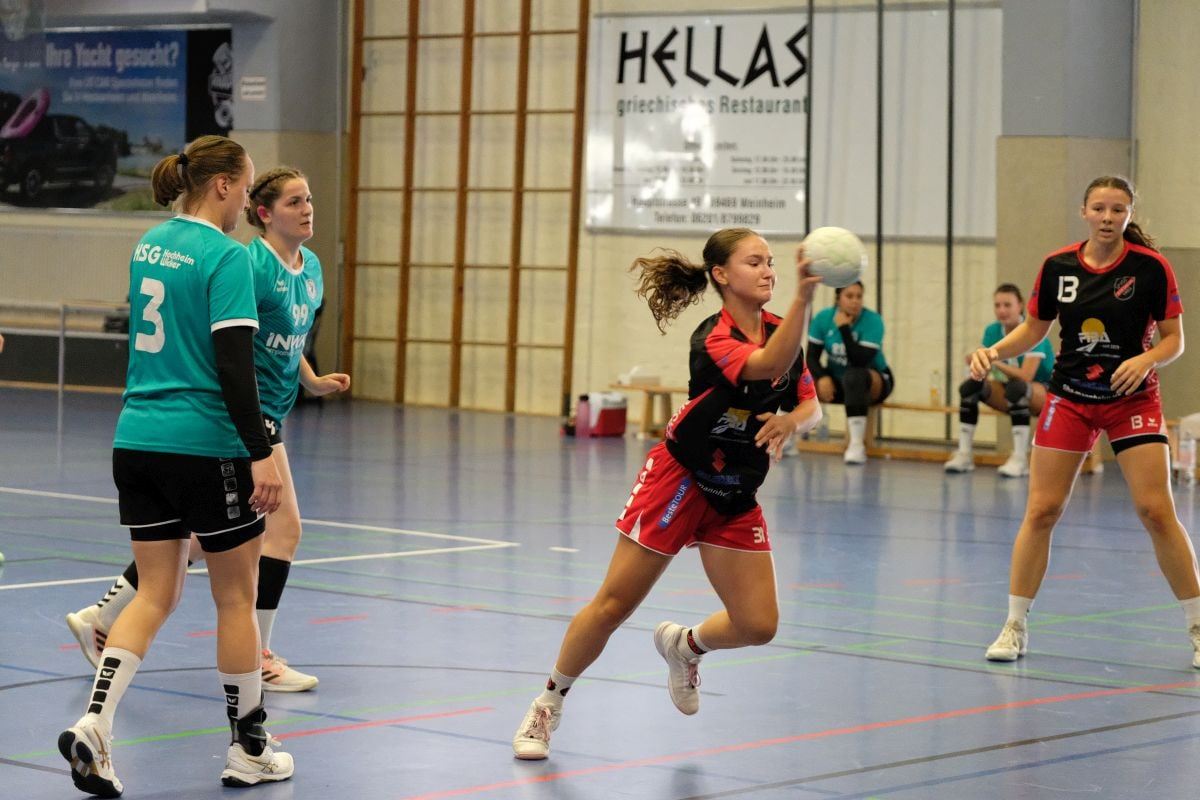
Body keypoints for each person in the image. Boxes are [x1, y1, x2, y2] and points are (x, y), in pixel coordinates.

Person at [510, 228, 823, 760]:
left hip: (734, 490)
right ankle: (547, 704)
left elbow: (810, 405)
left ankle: (685, 646)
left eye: (771, 261)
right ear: (721, 275)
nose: (769, 270)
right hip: (679, 480)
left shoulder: (784, 334)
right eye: (754, 262)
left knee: (758, 624)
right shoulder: (714, 338)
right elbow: (768, 365)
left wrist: (791, 420)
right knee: (613, 606)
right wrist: (805, 298)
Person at [57, 135, 294, 797]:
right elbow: (233, 367)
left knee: (155, 592)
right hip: (204, 443)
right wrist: (260, 453)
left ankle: (95, 724)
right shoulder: (226, 256)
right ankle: (249, 748)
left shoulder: (150, 244)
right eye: (244, 188)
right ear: (221, 186)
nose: (245, 203)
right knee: (235, 597)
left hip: (136, 439)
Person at [66, 167, 349, 694]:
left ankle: (102, 614)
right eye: (294, 201)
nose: (308, 208)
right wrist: (254, 434)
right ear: (263, 213)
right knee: (283, 531)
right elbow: (235, 346)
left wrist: (311, 381)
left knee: (204, 538)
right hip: (246, 417)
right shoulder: (249, 264)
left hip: (273, 410)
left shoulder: (310, 268)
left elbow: (287, 338)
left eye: (309, 198)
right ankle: (259, 657)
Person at [975, 175, 1200, 666]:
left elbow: (1174, 340)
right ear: (1084, 212)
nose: (1107, 217)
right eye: (1099, 208)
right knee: (1042, 510)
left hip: (1132, 400)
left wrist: (1146, 360)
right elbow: (1034, 329)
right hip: (1071, 399)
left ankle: (1198, 626)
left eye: (1118, 210)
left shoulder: (1151, 268)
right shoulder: (1058, 266)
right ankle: (1014, 626)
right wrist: (993, 352)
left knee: (1156, 511)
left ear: (1128, 214)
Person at [945, 284, 1055, 477]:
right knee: (970, 388)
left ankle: (1020, 459)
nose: (1002, 310)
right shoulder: (992, 331)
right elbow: (986, 370)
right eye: (997, 305)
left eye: (1007, 305)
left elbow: (1026, 376)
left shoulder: (1034, 332)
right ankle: (964, 454)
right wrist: (977, 364)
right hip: (1011, 389)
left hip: (1047, 392)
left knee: (1018, 387)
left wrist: (993, 359)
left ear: (1020, 306)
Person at [805, 281, 894, 463]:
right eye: (849, 296)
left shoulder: (873, 321)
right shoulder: (823, 318)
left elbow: (859, 361)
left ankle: (856, 445)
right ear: (838, 298)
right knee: (795, 374)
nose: (855, 301)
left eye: (859, 296)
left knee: (854, 376)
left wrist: (844, 328)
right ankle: (787, 440)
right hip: (837, 382)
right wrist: (822, 377)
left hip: (872, 381)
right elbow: (811, 358)